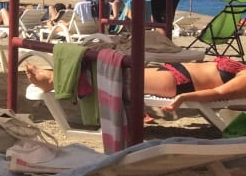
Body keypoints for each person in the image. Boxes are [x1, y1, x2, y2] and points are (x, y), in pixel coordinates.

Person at [25, 57, 246, 113]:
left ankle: (52, 80)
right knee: (118, 73)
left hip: (181, 83)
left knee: (117, 77)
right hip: (177, 74)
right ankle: (55, 77)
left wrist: (183, 99)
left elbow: (218, 92)